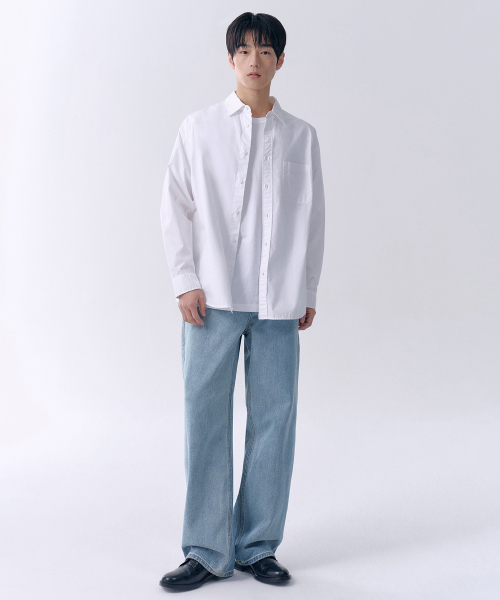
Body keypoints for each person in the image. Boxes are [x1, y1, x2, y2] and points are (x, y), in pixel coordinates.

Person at [158, 11, 325, 591]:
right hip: (213, 296)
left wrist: (307, 289)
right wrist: (184, 279)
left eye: (266, 50)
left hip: (279, 299)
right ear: (230, 58)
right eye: (245, 50)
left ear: (280, 60)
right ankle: (206, 549)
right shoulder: (199, 128)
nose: (255, 60)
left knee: (275, 420)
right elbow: (174, 204)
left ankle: (258, 545)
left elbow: (314, 217)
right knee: (205, 418)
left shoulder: (301, 135)